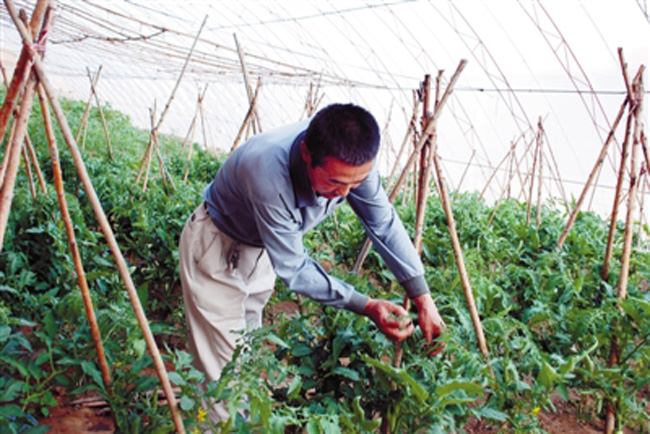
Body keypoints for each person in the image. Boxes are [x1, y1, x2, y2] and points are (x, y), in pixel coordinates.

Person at [178, 103, 445, 422]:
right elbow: (294, 268)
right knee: (221, 373)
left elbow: (383, 223)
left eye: (355, 185)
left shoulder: (352, 162)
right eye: (335, 183)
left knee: (244, 357)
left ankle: (239, 425)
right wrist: (367, 304)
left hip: (259, 249)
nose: (345, 193)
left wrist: (422, 296)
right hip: (215, 245)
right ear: (306, 154)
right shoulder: (266, 170)